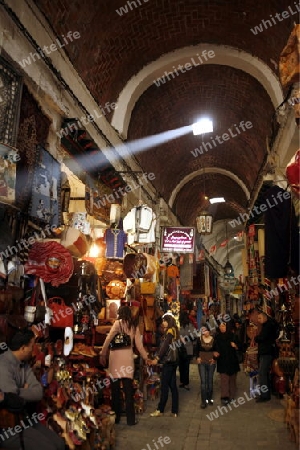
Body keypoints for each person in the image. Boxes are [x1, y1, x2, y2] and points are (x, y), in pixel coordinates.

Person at [0, 329, 65, 449]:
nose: (34, 348)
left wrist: (18, 391)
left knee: (60, 444)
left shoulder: (23, 364)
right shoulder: (3, 365)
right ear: (23, 348)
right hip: (8, 428)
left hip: (24, 420)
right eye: (32, 345)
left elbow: (38, 392)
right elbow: (12, 400)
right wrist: (20, 392)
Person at [99, 305, 149, 425]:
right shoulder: (133, 326)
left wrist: (102, 353)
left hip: (115, 360)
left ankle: (116, 418)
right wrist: (146, 357)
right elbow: (139, 345)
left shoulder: (117, 324)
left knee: (115, 391)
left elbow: (108, 339)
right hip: (127, 361)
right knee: (128, 391)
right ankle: (130, 420)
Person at [149, 314, 179, 417]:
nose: (163, 322)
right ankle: (174, 411)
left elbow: (165, 346)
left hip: (168, 362)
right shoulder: (174, 330)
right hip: (173, 362)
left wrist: (157, 358)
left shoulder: (170, 331)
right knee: (173, 386)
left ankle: (160, 409)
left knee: (164, 386)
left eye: (164, 320)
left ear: (168, 321)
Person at [254, 310, 278, 403]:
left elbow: (262, 338)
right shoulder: (267, 325)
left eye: (260, 318)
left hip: (266, 352)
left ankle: (264, 395)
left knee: (262, 373)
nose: (258, 320)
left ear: (265, 318)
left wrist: (256, 338)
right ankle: (266, 393)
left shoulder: (267, 326)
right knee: (265, 373)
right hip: (267, 351)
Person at [215, 320, 240, 405]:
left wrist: (235, 346)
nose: (222, 328)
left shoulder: (233, 336)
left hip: (232, 361)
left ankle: (231, 396)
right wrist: (215, 354)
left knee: (232, 380)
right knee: (224, 379)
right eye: (221, 326)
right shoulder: (217, 337)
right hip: (222, 360)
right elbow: (215, 348)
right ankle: (224, 396)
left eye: (224, 326)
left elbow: (240, 348)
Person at [196, 324, 218, 408]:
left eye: (206, 330)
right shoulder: (199, 339)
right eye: (203, 331)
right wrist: (197, 357)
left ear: (209, 330)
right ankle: (203, 401)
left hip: (211, 363)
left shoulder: (214, 340)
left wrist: (214, 359)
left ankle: (209, 398)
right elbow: (196, 350)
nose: (205, 332)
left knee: (210, 381)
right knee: (203, 382)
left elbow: (217, 350)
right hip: (202, 362)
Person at [178, 311, 196, 390]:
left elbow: (194, 337)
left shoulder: (190, 326)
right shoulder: (180, 326)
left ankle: (186, 383)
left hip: (187, 349)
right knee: (181, 366)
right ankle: (183, 382)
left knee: (185, 366)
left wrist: (184, 339)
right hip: (180, 348)